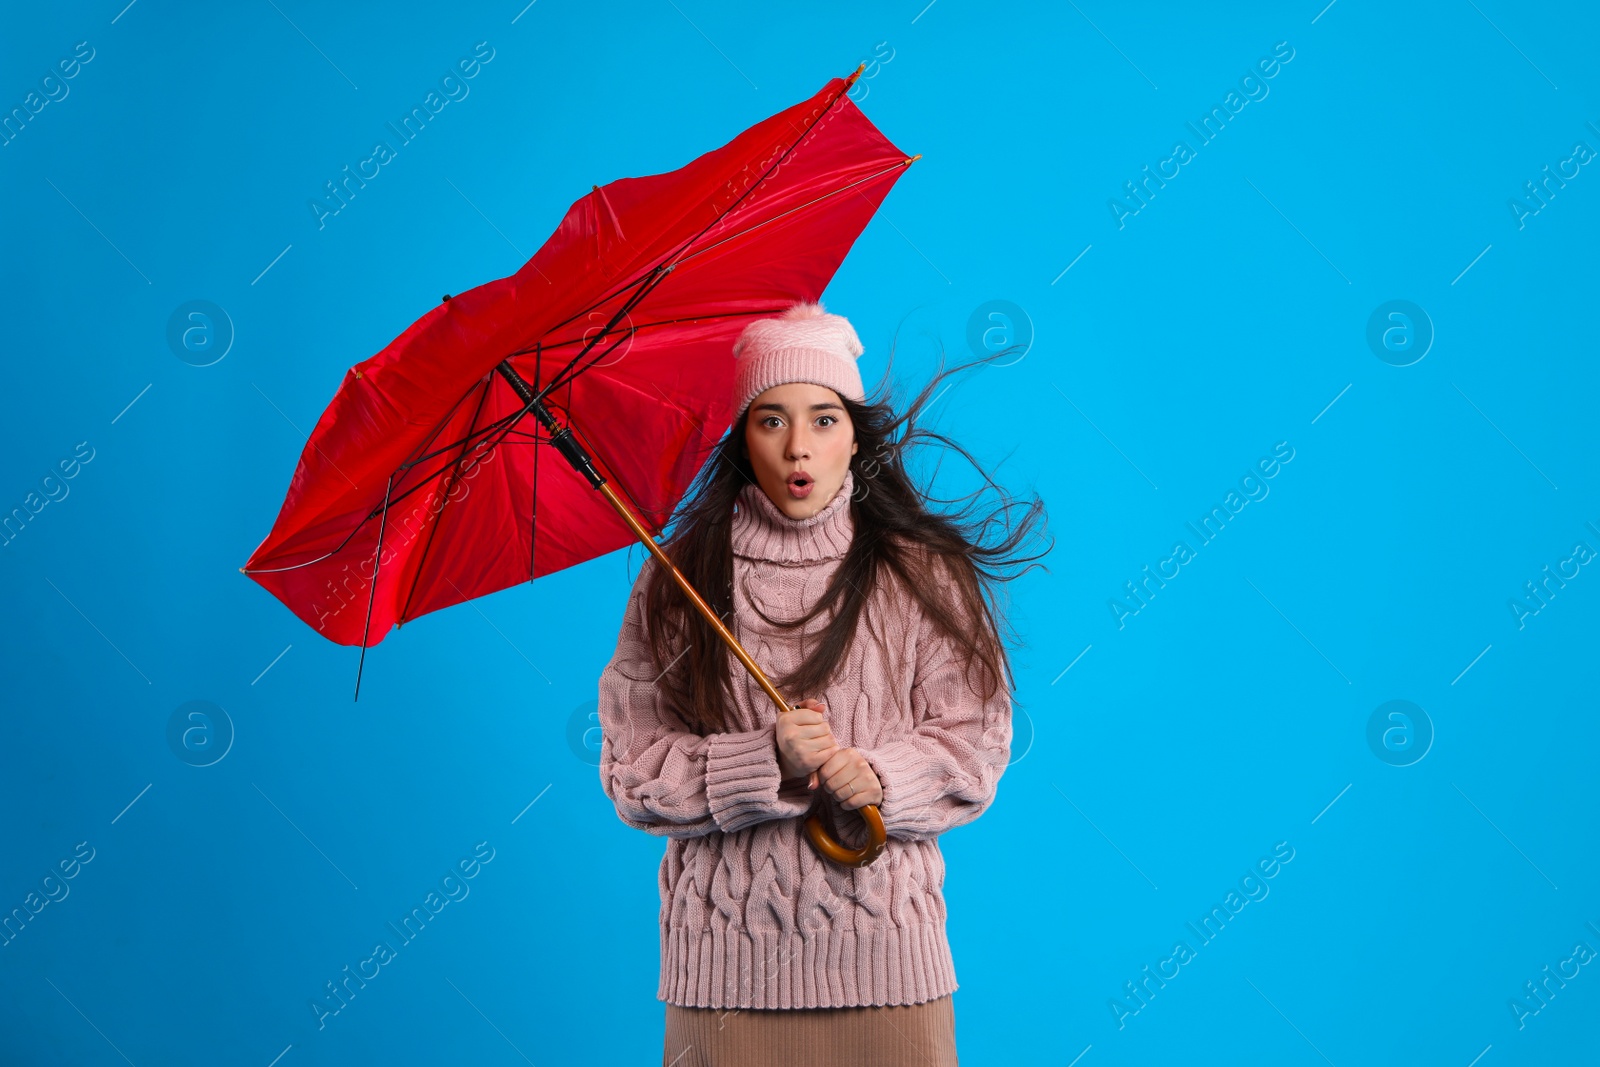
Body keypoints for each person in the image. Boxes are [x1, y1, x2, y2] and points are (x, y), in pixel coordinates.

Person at [596, 300, 1049, 1066]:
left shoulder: (920, 571)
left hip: (890, 974)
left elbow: (974, 747)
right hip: (723, 985)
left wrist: (877, 773)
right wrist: (761, 760)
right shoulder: (678, 581)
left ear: (855, 434)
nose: (798, 446)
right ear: (742, 435)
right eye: (770, 420)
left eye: (824, 419)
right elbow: (633, 771)